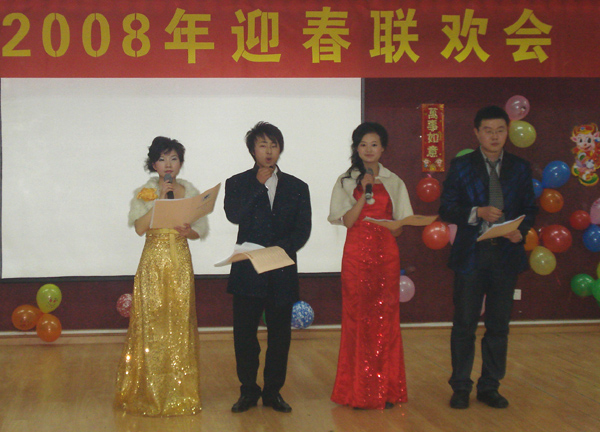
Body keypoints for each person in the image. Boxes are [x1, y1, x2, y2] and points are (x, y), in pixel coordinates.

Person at [439, 106, 537, 409]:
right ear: (477, 133)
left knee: (498, 326)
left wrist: (520, 231)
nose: (494, 136)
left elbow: (530, 209)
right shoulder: (461, 166)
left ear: (507, 132)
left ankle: (490, 386)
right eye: (488, 131)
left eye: (500, 130)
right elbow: (447, 208)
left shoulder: (520, 168)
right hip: (471, 255)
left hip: (505, 256)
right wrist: (477, 212)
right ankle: (460, 386)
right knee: (464, 324)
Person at [115, 136, 209, 416]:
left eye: (174, 159)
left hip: (179, 260)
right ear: (154, 164)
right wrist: (158, 202)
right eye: (162, 159)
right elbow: (139, 228)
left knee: (179, 322)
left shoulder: (190, 192)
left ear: (180, 163)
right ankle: (149, 391)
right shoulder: (145, 192)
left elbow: (199, 230)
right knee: (152, 323)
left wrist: (188, 231)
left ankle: (181, 392)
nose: (168, 164)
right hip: (153, 263)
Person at [224, 122, 312, 413]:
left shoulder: (297, 187)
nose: (269, 151)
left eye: (274, 145)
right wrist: (256, 186)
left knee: (279, 338)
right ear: (252, 150)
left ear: (280, 149)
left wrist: (279, 251)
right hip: (248, 271)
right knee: (244, 336)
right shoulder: (237, 182)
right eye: (263, 145)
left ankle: (273, 392)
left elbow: (302, 230)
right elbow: (234, 215)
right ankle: (248, 391)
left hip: (281, 270)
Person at [328, 121, 413, 410]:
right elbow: (348, 221)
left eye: (374, 144)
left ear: (383, 148)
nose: (368, 149)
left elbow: (400, 227)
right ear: (356, 148)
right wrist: (363, 193)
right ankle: (357, 391)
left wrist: (392, 225)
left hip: (385, 254)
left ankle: (387, 390)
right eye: (363, 144)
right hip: (356, 255)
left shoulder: (394, 181)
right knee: (357, 318)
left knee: (385, 319)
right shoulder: (346, 181)